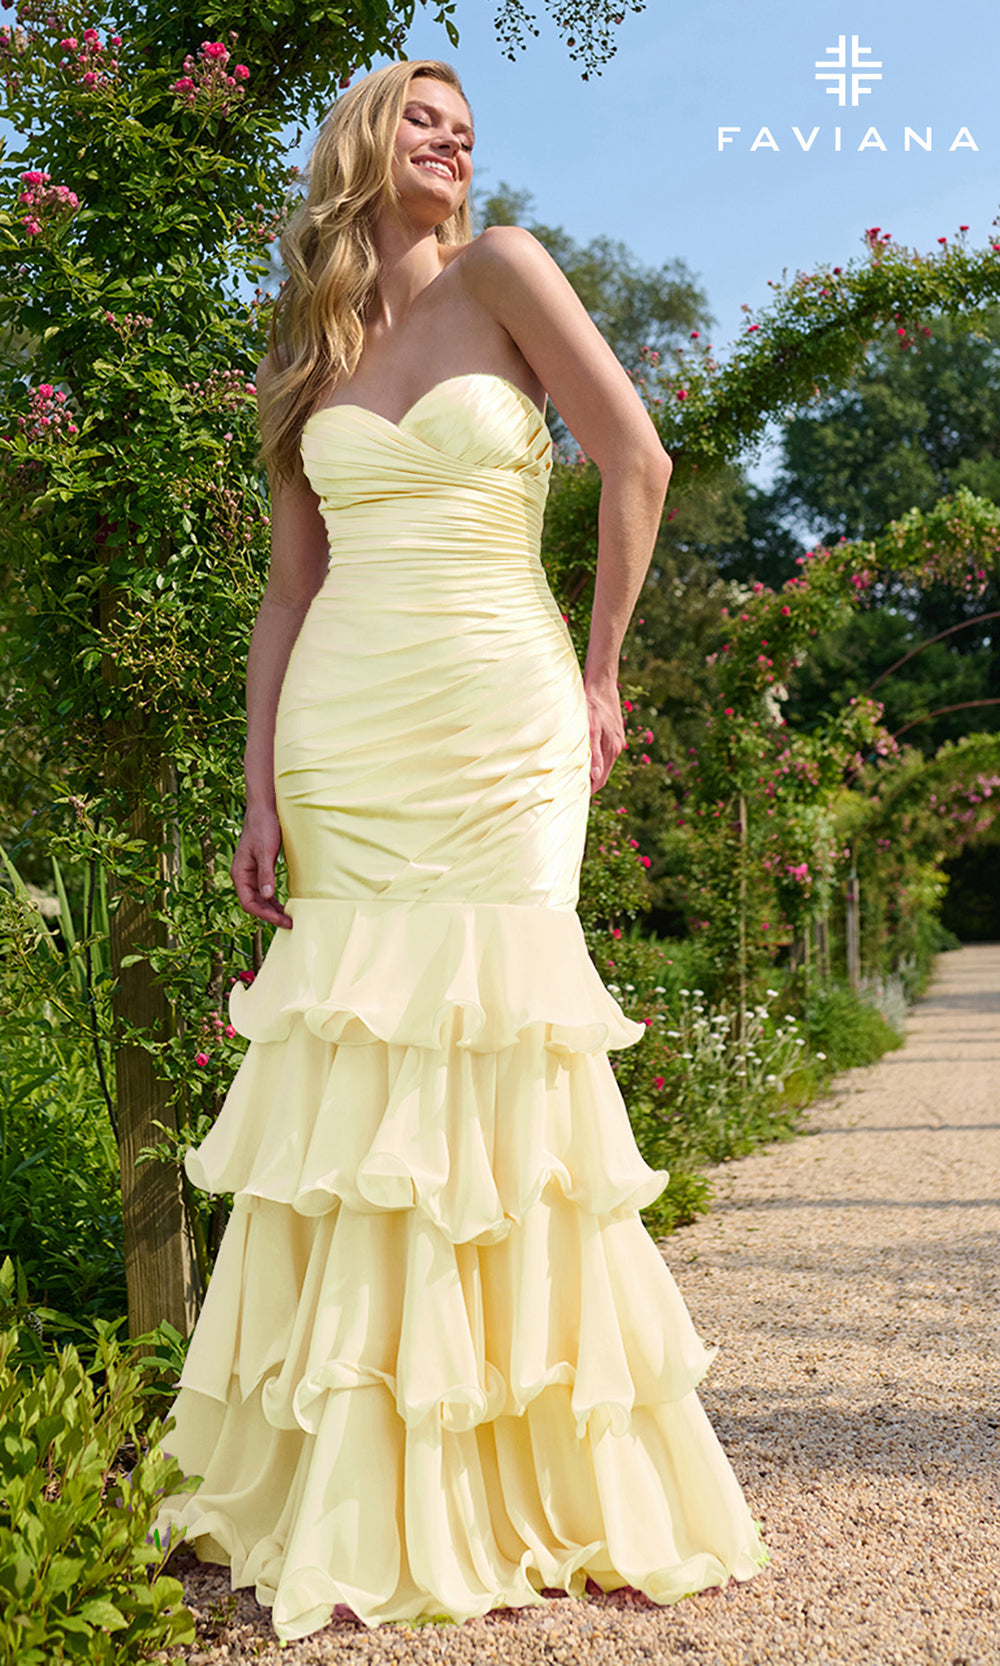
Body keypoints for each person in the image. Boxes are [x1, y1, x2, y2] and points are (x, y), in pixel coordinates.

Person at [154, 58, 769, 1639]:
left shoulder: (509, 273)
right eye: (422, 120)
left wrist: (606, 668)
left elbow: (639, 457)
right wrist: (258, 791)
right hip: (346, 731)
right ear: (364, 147)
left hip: (501, 715)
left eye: (467, 128)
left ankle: (560, 1478)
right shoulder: (311, 348)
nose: (453, 142)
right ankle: (354, 1496)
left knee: (509, 1062)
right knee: (351, 1083)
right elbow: (287, 593)